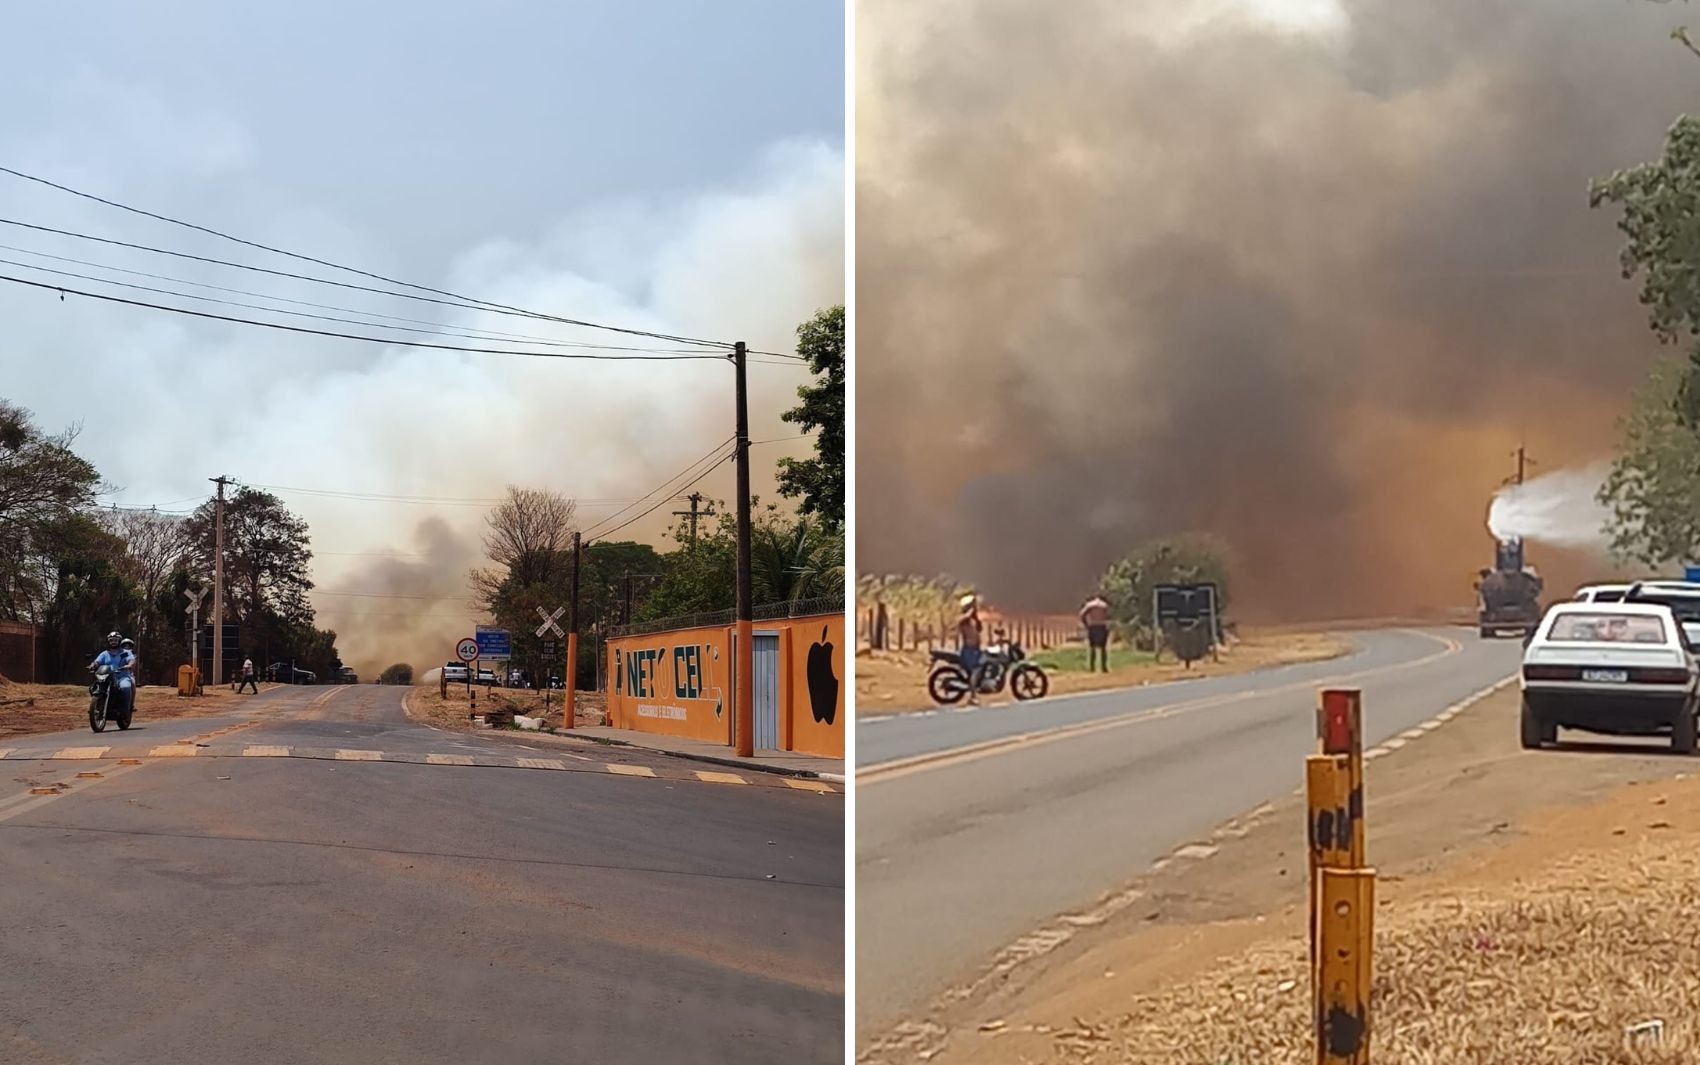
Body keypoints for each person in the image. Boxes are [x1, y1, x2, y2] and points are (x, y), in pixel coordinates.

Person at [89, 632, 137, 717]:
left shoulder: (124, 653)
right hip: (107, 677)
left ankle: (125, 711)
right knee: (94, 687)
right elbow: (97, 661)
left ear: (119, 641)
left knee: (125, 688)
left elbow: (131, 660)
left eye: (115, 640)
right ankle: (96, 706)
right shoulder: (104, 654)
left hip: (122, 677)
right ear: (108, 642)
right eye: (111, 640)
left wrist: (129, 665)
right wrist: (93, 665)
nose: (113, 642)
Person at [957, 594, 985, 705]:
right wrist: (971, 609)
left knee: (980, 669)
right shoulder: (964, 620)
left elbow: (980, 628)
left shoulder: (973, 620)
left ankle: (977, 690)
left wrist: (975, 615)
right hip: (969, 650)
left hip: (976, 649)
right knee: (975, 670)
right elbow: (963, 619)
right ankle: (972, 697)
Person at [1080, 593, 1111, 672]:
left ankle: (1092, 667)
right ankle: (1104, 667)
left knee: (1092, 647)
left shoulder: (1089, 605)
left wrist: (1086, 624)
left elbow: (1082, 614)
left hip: (1093, 626)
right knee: (1103, 648)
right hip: (1102, 625)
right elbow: (1109, 615)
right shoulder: (1104, 605)